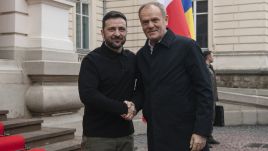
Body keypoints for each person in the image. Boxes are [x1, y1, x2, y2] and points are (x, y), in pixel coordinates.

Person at [133, 2, 213, 151]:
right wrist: (133, 106)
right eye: (145, 22)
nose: (150, 25)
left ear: (166, 20)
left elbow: (205, 91)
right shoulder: (141, 56)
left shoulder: (187, 47)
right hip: (156, 135)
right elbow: (142, 91)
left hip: (187, 136)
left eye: (155, 20)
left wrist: (202, 131)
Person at [78, 11, 136, 151]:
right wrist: (122, 108)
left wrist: (135, 105)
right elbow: (88, 95)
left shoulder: (132, 59)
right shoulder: (91, 60)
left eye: (121, 29)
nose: (117, 33)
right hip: (98, 138)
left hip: (126, 135)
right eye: (111, 29)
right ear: (102, 33)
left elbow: (142, 88)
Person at [203, 50, 220, 146]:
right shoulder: (204, 68)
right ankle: (204, 139)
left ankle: (209, 137)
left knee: (212, 118)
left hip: (212, 97)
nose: (213, 57)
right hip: (207, 97)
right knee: (207, 118)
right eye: (212, 56)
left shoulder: (210, 67)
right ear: (208, 57)